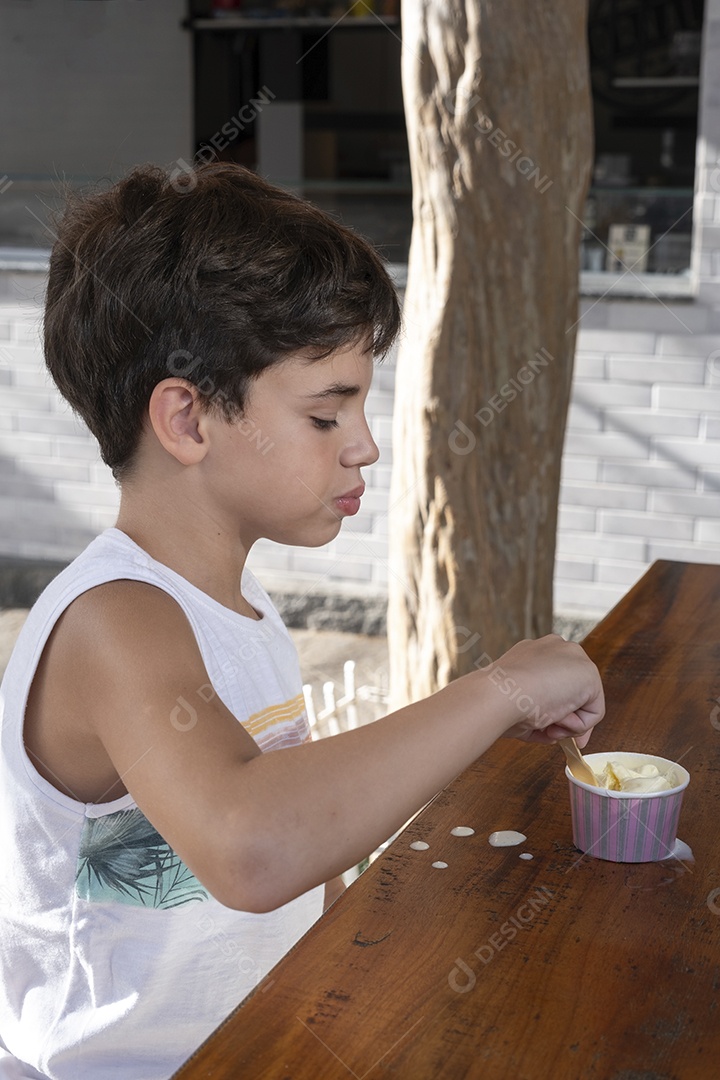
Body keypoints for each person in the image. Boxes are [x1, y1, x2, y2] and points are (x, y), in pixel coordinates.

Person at [0, 162, 604, 1079]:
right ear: (188, 421)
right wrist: (501, 686)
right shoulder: (113, 624)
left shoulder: (241, 608)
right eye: (328, 412)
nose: (363, 443)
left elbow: (302, 851)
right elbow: (253, 846)